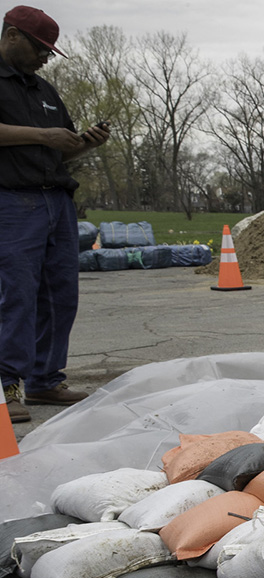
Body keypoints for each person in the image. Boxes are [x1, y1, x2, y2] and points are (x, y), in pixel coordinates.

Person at [1, 5, 109, 424]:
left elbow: (63, 146)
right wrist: (41, 134)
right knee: (17, 296)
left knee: (60, 295)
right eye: (41, 48)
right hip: (11, 201)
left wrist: (86, 143)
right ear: (12, 36)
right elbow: (43, 138)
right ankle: (7, 386)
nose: (46, 56)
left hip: (56, 201)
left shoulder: (44, 91)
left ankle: (45, 378)